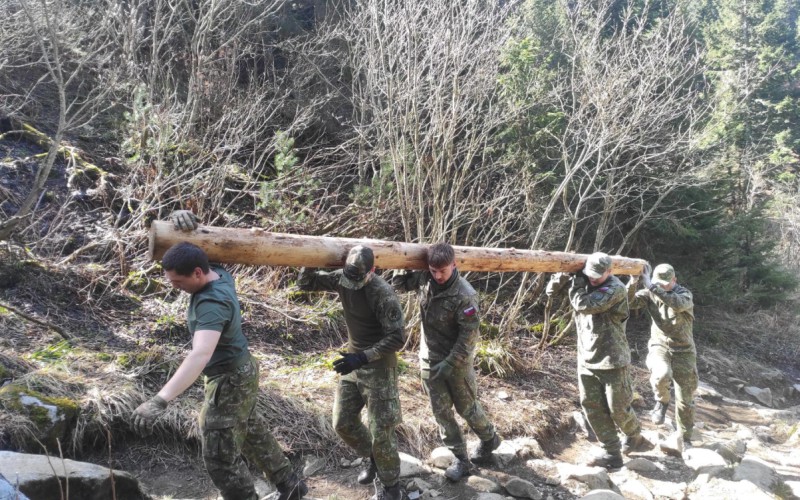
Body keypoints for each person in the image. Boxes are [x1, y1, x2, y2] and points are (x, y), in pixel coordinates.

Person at [131, 238, 307, 500]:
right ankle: (291, 485)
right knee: (250, 430)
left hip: (229, 380)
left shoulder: (212, 304)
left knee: (219, 455)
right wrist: (185, 224)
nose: (174, 287)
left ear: (198, 273)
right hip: (242, 369)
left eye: (178, 282)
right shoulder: (220, 273)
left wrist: (161, 399)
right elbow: (211, 244)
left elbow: (200, 354)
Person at [297, 245, 406, 500]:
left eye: (360, 279)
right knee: (342, 422)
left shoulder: (382, 293)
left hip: (378, 367)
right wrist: (310, 257)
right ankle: (373, 458)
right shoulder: (344, 278)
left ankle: (392, 487)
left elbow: (397, 337)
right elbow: (306, 284)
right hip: (353, 363)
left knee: (382, 431)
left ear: (373, 270)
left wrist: (363, 357)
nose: (353, 284)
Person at [392, 243, 500, 481]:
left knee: (467, 408)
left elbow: (468, 339)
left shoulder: (465, 295)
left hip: (457, 363)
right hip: (430, 358)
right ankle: (461, 459)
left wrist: (450, 364)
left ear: (454, 265)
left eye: (443, 271)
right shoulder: (424, 278)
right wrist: (401, 261)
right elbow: (398, 285)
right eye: (434, 270)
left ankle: (489, 438)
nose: (438, 276)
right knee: (441, 412)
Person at [546, 252, 652, 469]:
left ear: (610, 272)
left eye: (597, 275)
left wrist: (577, 282)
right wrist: (561, 277)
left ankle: (634, 435)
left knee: (618, 408)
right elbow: (550, 293)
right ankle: (611, 452)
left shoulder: (615, 288)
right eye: (589, 274)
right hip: (586, 358)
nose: (593, 279)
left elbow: (586, 305)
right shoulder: (585, 282)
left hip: (613, 359)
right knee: (592, 407)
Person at [629, 263, 697, 445]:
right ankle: (662, 401)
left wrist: (651, 286)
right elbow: (629, 302)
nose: (662, 286)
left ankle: (685, 438)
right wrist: (632, 283)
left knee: (685, 399)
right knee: (661, 374)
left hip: (684, 351)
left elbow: (676, 303)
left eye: (666, 282)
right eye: (659, 283)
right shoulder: (652, 292)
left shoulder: (684, 294)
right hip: (660, 346)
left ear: (674, 280)